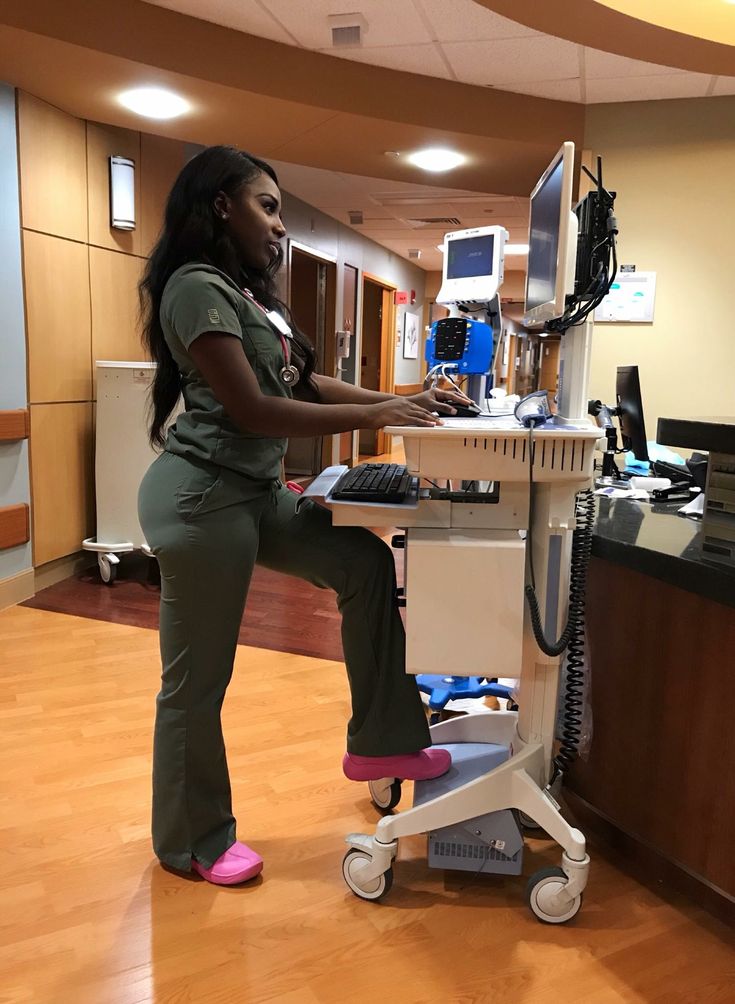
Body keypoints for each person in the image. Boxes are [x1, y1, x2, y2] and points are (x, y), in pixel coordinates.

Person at [137, 145, 467, 886]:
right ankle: (193, 840)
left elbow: (303, 380)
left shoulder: (244, 293)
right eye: (267, 206)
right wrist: (386, 410)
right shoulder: (193, 288)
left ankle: (381, 741)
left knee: (363, 561)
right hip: (202, 498)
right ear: (220, 205)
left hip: (253, 493)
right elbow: (253, 409)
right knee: (197, 681)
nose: (279, 225)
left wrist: (398, 395)